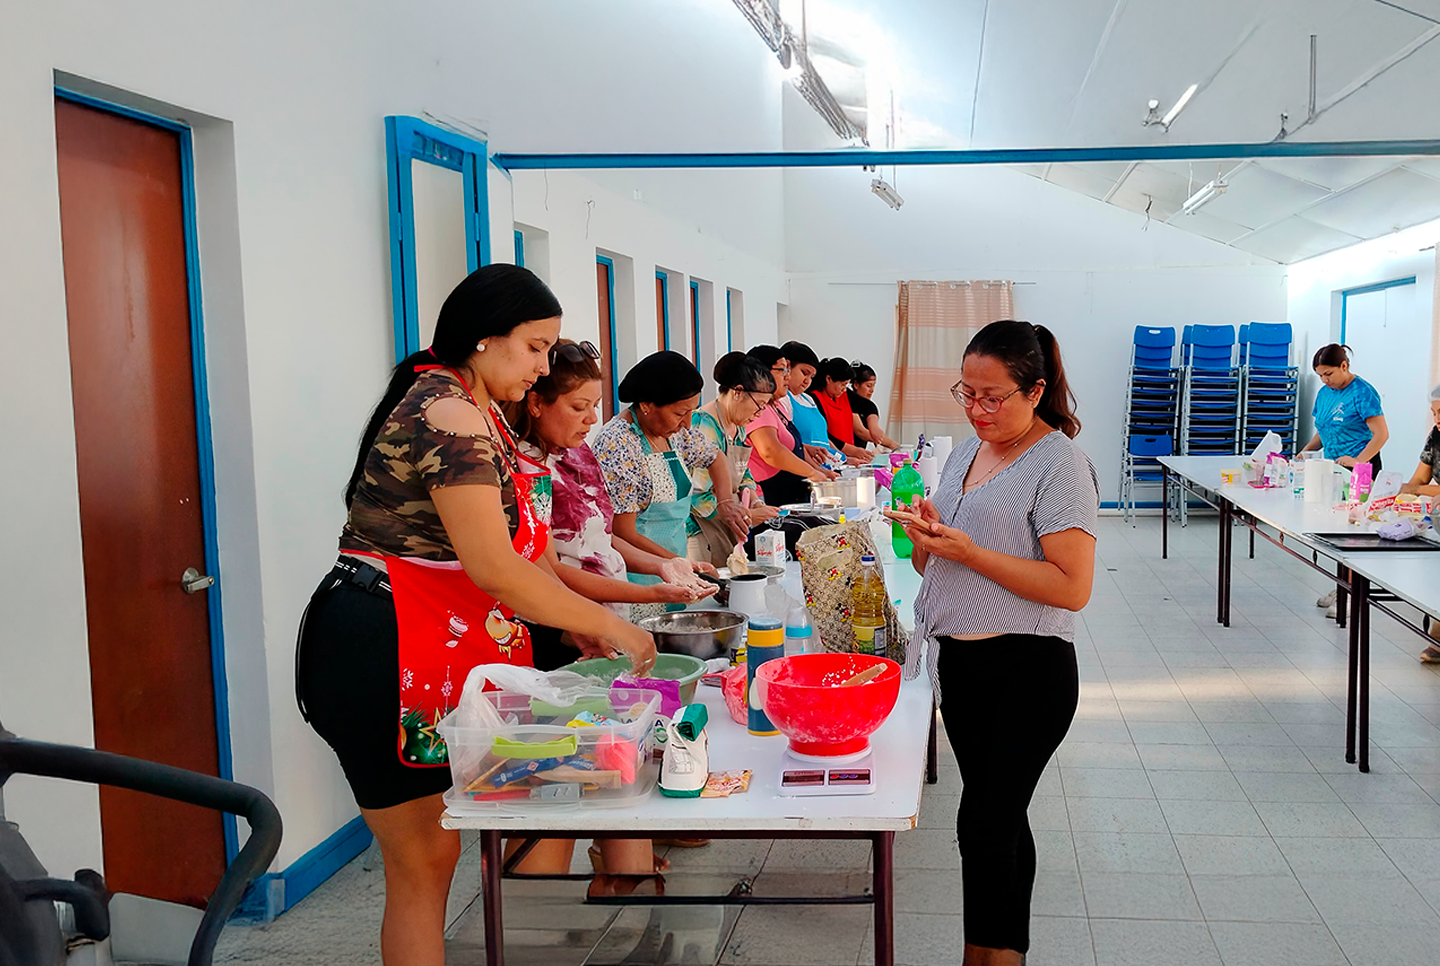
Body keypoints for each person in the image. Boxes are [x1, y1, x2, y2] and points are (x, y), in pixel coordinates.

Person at [295, 265, 656, 966]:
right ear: (484, 341)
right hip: (379, 645)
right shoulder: (450, 415)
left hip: (423, 641)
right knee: (422, 863)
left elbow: (521, 562)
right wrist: (612, 624)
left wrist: (576, 616)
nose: (543, 367)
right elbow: (493, 566)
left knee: (433, 856)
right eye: (534, 348)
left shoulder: (471, 405)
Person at [886, 319, 1097, 966]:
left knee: (983, 825)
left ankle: (986, 959)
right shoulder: (965, 453)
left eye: (992, 396)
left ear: (1035, 392)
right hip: (966, 664)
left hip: (1027, 671)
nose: (977, 409)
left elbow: (1071, 587)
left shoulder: (1058, 462)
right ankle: (1004, 954)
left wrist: (971, 552)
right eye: (966, 393)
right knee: (1001, 823)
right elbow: (941, 565)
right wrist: (931, 541)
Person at [502, 337, 714, 888]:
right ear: (534, 402)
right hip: (560, 627)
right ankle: (545, 905)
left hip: (603, 614)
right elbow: (546, 570)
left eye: (593, 406)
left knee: (620, 749)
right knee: (563, 771)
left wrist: (666, 570)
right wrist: (643, 599)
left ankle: (625, 876)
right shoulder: (522, 470)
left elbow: (608, 544)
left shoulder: (577, 457)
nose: (590, 419)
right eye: (578, 408)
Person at [592, 351, 733, 618]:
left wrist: (725, 502)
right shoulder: (618, 444)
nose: (687, 423)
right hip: (635, 577)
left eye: (691, 411)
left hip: (674, 567)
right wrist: (675, 563)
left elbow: (716, 457)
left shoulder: (677, 434)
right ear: (646, 405)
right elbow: (623, 532)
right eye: (680, 413)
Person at [1300, 344, 1389, 618]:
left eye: (1328, 373)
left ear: (1344, 366)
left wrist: (1359, 461)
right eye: (1320, 376)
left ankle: (1352, 593)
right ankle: (1341, 585)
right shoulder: (1325, 393)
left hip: (1360, 471)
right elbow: (1323, 431)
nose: (1325, 380)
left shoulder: (1363, 393)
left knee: (1354, 534)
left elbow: (1381, 435)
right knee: (1333, 530)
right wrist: (1305, 451)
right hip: (1333, 470)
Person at [688, 352, 780, 567]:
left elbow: (742, 471)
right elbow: (697, 495)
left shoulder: (738, 427)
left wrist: (755, 500)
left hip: (727, 522)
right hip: (700, 531)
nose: (759, 414)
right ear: (738, 392)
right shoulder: (704, 425)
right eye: (759, 405)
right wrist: (746, 515)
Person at [744, 345, 837, 506]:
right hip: (768, 497)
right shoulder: (759, 409)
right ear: (762, 372)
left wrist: (821, 471)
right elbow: (770, 451)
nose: (787, 377)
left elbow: (792, 447)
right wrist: (812, 472)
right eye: (782, 370)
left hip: (789, 494)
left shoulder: (777, 406)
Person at [1400, 384, 1440, 663]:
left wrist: (1419, 490)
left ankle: (1437, 636)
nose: (1437, 419)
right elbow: (1418, 482)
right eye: (1434, 413)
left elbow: (1421, 488)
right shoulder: (1436, 436)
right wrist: (1403, 490)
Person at [778, 340, 843, 469]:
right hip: (804, 469)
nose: (807, 381)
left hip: (825, 467)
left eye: (811, 377)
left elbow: (822, 438)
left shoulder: (809, 399)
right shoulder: (783, 399)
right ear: (788, 367)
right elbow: (786, 441)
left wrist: (841, 458)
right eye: (804, 373)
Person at [809, 356, 871, 462]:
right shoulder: (813, 399)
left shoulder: (843, 395)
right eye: (842, 384)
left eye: (846, 385)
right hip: (829, 458)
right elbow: (824, 435)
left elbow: (868, 407)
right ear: (828, 379)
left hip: (846, 457)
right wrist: (852, 451)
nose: (844, 389)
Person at [849, 360, 901, 451]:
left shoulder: (869, 408)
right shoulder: (850, 405)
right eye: (868, 386)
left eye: (873, 386)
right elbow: (862, 432)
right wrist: (893, 445)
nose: (872, 390)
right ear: (856, 385)